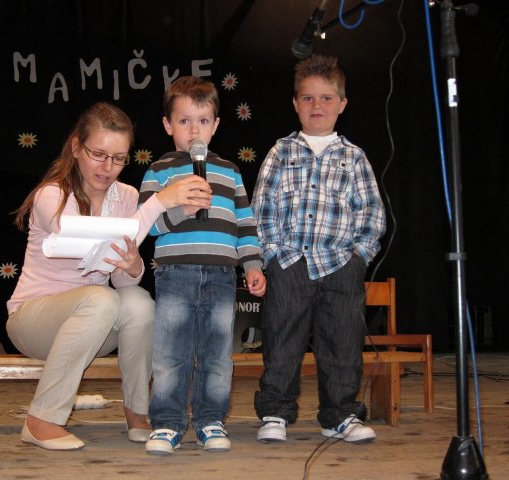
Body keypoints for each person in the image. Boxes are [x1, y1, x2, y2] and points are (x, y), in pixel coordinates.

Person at [6, 102, 212, 451]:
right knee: (100, 300)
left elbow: (122, 281)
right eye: (98, 154)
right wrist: (158, 203)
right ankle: (41, 420)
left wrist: (132, 265)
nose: (107, 168)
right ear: (76, 147)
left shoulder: (127, 196)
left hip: (94, 322)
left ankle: (137, 413)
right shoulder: (51, 196)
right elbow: (87, 250)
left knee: (139, 302)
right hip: (33, 322)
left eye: (118, 158)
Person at [251, 55, 386, 444]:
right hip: (290, 261)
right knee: (282, 340)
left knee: (342, 342)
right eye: (308, 98)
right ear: (296, 103)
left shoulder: (354, 157)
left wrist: (358, 257)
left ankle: (339, 415)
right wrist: (274, 255)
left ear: (342, 104)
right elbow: (263, 208)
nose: (317, 106)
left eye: (327, 98)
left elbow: (371, 213)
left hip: (340, 264)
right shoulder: (280, 152)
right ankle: (275, 413)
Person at [138, 76, 267, 455]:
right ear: (167, 125)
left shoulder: (230, 171)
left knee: (216, 355)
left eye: (203, 121)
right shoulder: (159, 170)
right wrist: (181, 209)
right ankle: (167, 423)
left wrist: (252, 264)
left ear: (216, 125)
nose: (194, 130)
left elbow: (245, 224)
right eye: (184, 121)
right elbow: (147, 225)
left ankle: (211, 419)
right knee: (170, 354)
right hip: (174, 275)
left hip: (222, 276)